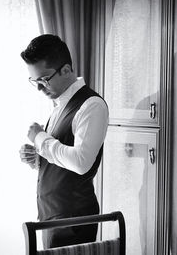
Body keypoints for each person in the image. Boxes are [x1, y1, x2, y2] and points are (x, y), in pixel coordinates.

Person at [18, 34, 109, 249]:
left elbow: (80, 162)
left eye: (44, 79)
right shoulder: (59, 105)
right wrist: (37, 158)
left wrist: (40, 138)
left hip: (74, 221)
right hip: (51, 217)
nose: (40, 88)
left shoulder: (92, 105)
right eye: (35, 81)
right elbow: (60, 158)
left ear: (66, 70)